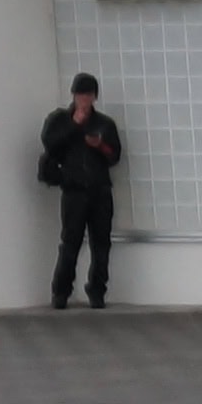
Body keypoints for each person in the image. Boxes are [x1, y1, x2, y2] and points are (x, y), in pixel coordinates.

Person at [39, 72, 123, 309]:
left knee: (101, 243)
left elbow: (114, 155)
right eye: (79, 94)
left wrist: (100, 146)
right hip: (73, 190)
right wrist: (74, 125)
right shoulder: (59, 120)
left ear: (94, 97)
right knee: (70, 242)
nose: (83, 99)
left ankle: (97, 291)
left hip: (99, 190)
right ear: (73, 95)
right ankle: (61, 291)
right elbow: (50, 143)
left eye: (87, 95)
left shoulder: (104, 124)